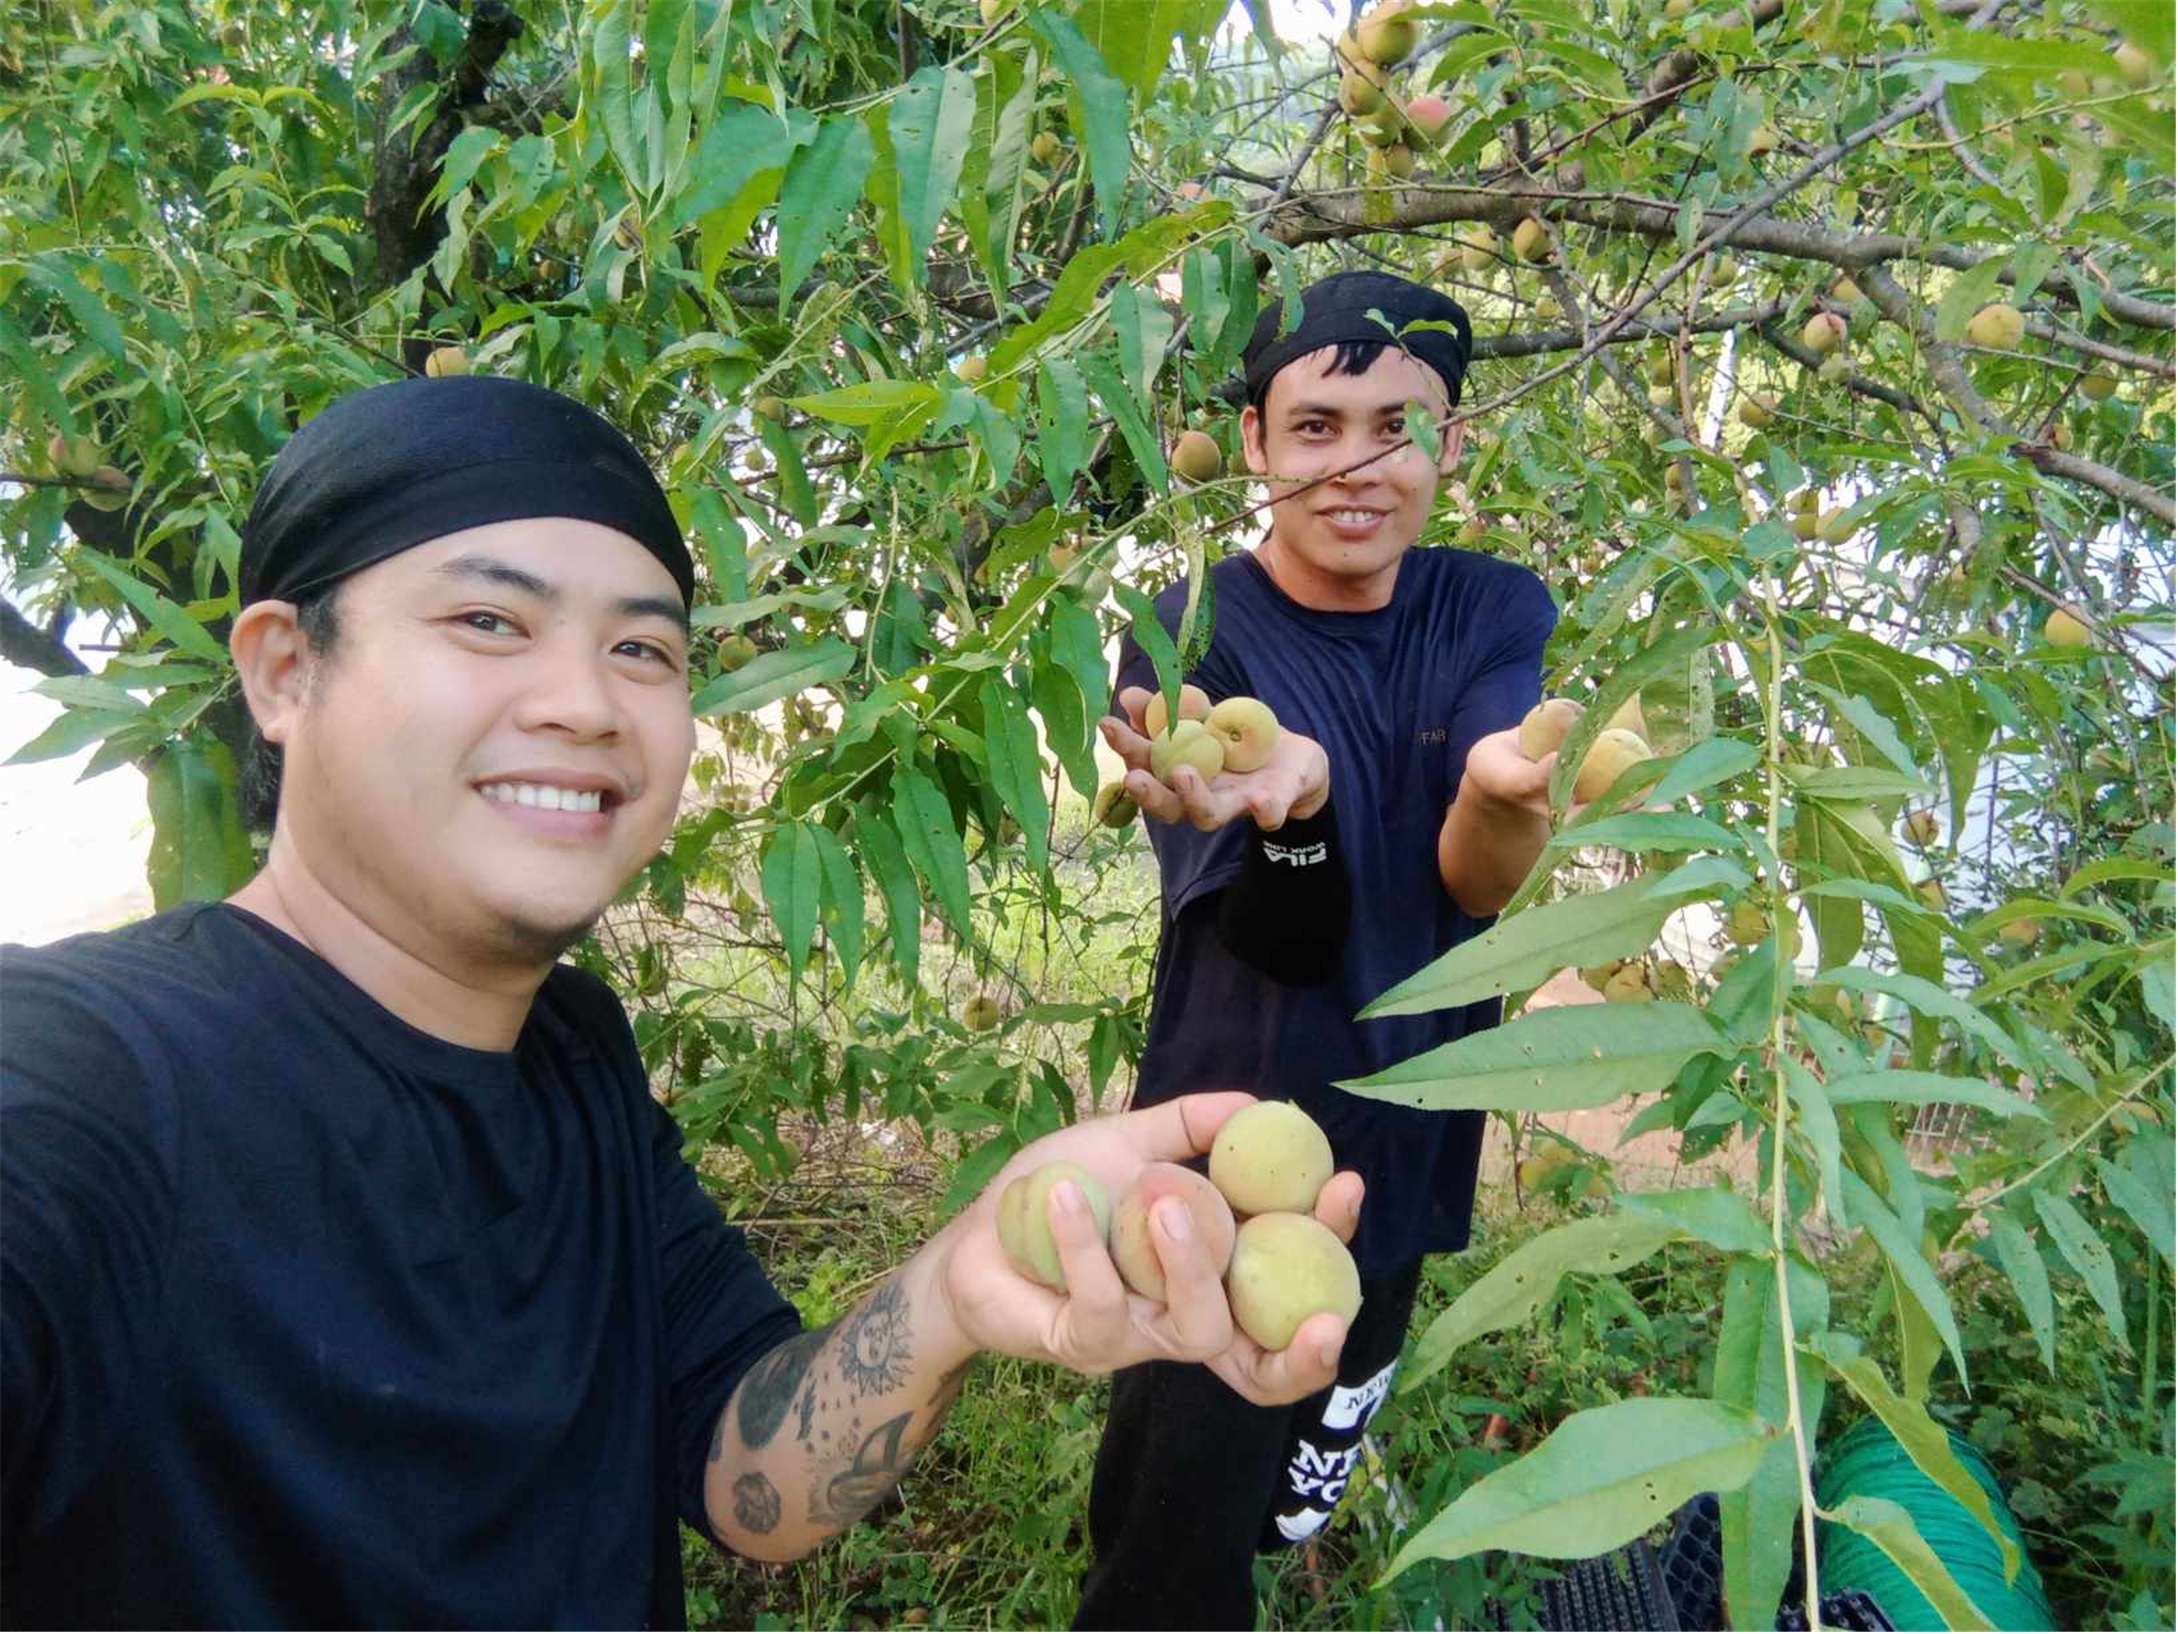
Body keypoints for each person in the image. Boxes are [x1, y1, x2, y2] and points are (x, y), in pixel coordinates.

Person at [0, 375, 1365, 1629]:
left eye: (644, 651)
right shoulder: (86, 1085)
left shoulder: (570, 1050)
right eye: (489, 620)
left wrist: (955, 1287)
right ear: (284, 669)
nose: (587, 703)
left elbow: (738, 1468)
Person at [1075, 269, 1559, 1628]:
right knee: (1169, 1544)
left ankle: (1294, 1494)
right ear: (1254, 446)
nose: (1356, 464)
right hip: (1235, 1154)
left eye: (1396, 427)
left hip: (1410, 1129)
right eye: (1315, 426)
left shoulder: (1491, 607)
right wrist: (1298, 807)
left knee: (1312, 1449)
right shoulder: (1187, 631)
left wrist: (1496, 793)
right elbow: (1281, 937)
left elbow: (1476, 877)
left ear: (1449, 441)